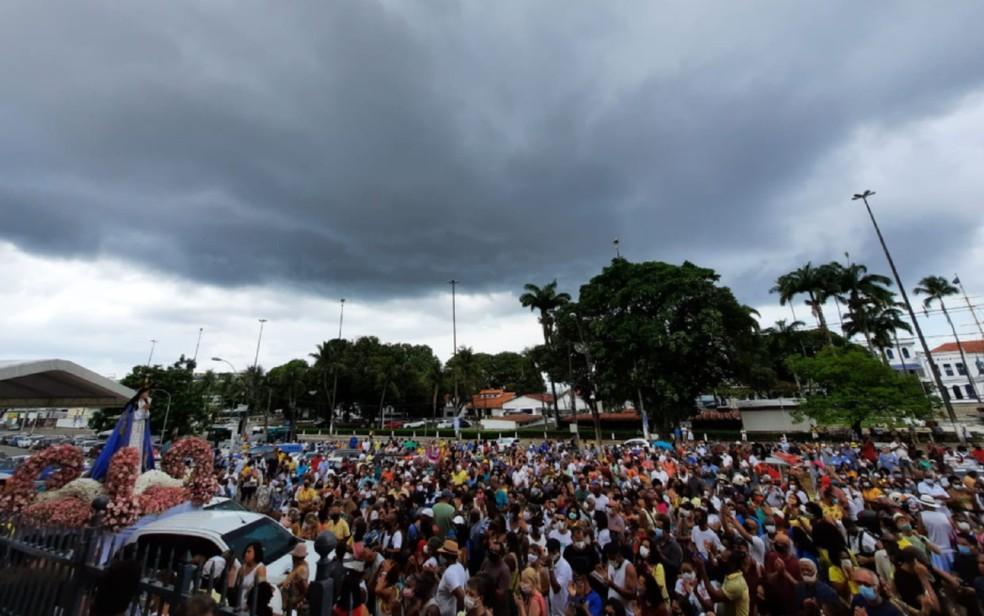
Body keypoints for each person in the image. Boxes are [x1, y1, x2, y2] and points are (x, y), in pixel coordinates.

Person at [90, 387, 155, 480]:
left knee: (140, 448)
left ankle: (139, 470)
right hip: (133, 428)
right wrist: (141, 410)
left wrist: (145, 410)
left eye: (148, 393)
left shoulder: (146, 402)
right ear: (141, 393)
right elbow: (133, 416)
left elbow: (146, 416)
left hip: (141, 428)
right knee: (132, 446)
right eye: (146, 392)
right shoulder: (134, 403)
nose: (147, 394)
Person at [231, 541, 267, 613]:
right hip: (238, 605)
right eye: (245, 552)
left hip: (250, 608)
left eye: (249, 552)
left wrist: (249, 606)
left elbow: (261, 591)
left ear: (256, 553)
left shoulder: (260, 568)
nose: (245, 554)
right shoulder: (242, 568)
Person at [436, 540, 467, 616]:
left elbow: (461, 595)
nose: (440, 556)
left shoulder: (449, 573)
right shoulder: (459, 566)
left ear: (448, 556)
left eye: (442, 554)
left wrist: (460, 614)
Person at [279, 543, 310, 616]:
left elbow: (306, 591)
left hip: (290, 607)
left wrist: (292, 603)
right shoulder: (296, 566)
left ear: (295, 557)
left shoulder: (301, 570)